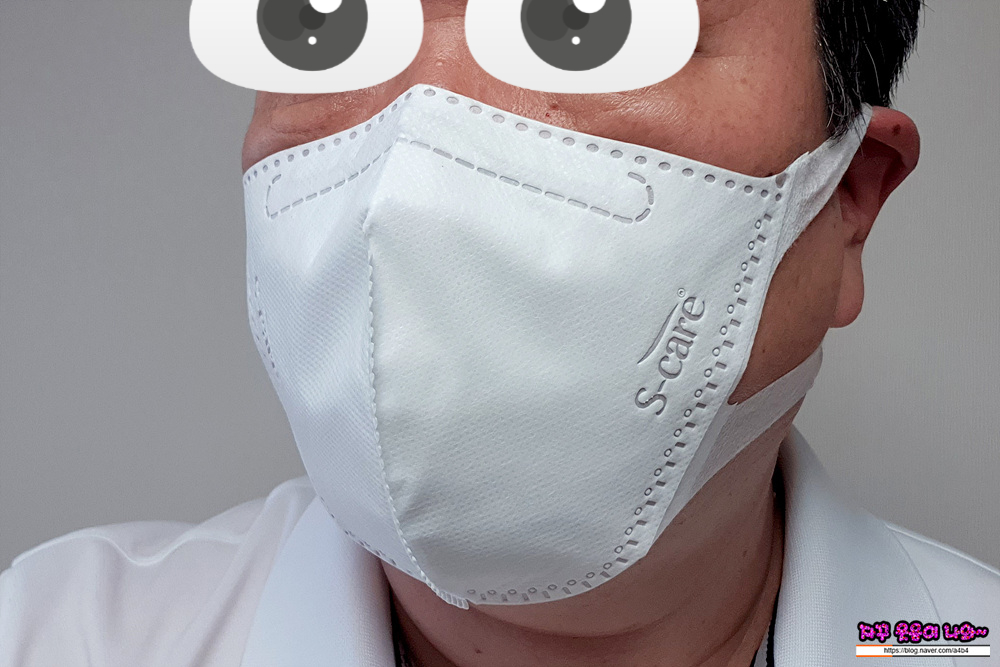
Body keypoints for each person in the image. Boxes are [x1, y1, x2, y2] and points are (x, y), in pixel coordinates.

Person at [2, 1, 998, 666]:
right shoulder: (53, 638)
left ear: (851, 199)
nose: (418, 143)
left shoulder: (961, 641)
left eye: (588, 20)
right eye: (330, 23)